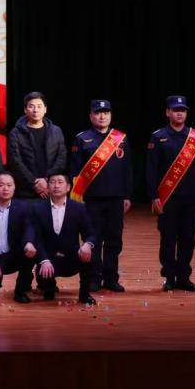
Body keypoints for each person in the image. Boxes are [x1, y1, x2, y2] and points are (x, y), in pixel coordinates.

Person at [145, 95, 195, 292]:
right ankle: (169, 277)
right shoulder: (158, 136)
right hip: (167, 197)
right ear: (168, 112)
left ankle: (184, 277)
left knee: (188, 238)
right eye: (175, 110)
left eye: (183, 110)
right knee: (168, 238)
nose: (179, 113)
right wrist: (154, 195)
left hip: (191, 196)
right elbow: (151, 169)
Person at [68, 99, 132, 293]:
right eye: (97, 112)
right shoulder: (82, 138)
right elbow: (75, 172)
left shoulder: (120, 138)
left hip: (116, 198)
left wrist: (127, 195)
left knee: (114, 240)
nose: (102, 116)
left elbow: (127, 170)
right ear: (91, 116)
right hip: (91, 199)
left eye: (106, 112)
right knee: (93, 239)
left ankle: (111, 278)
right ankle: (93, 278)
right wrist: (77, 198)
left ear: (110, 115)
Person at [26, 172, 98, 306]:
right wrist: (44, 260)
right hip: (49, 258)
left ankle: (85, 295)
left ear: (68, 187)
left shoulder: (79, 208)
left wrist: (87, 245)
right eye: (52, 182)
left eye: (60, 182)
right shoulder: (37, 208)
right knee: (35, 259)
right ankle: (48, 289)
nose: (56, 186)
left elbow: (91, 234)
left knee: (90, 256)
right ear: (47, 186)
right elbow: (36, 237)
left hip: (72, 257)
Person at [0, 170, 36, 303]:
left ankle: (21, 291)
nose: (5, 189)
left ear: (14, 187)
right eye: (1, 185)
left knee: (30, 252)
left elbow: (29, 228)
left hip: (12, 256)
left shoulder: (23, 207)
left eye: (9, 185)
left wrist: (29, 242)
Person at [7, 92, 68, 200]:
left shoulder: (56, 131)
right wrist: (34, 183)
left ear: (45, 109)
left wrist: (47, 180)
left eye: (39, 106)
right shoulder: (16, 133)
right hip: (25, 191)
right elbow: (15, 161)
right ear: (25, 110)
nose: (35, 110)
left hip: (51, 189)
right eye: (31, 106)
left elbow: (61, 158)